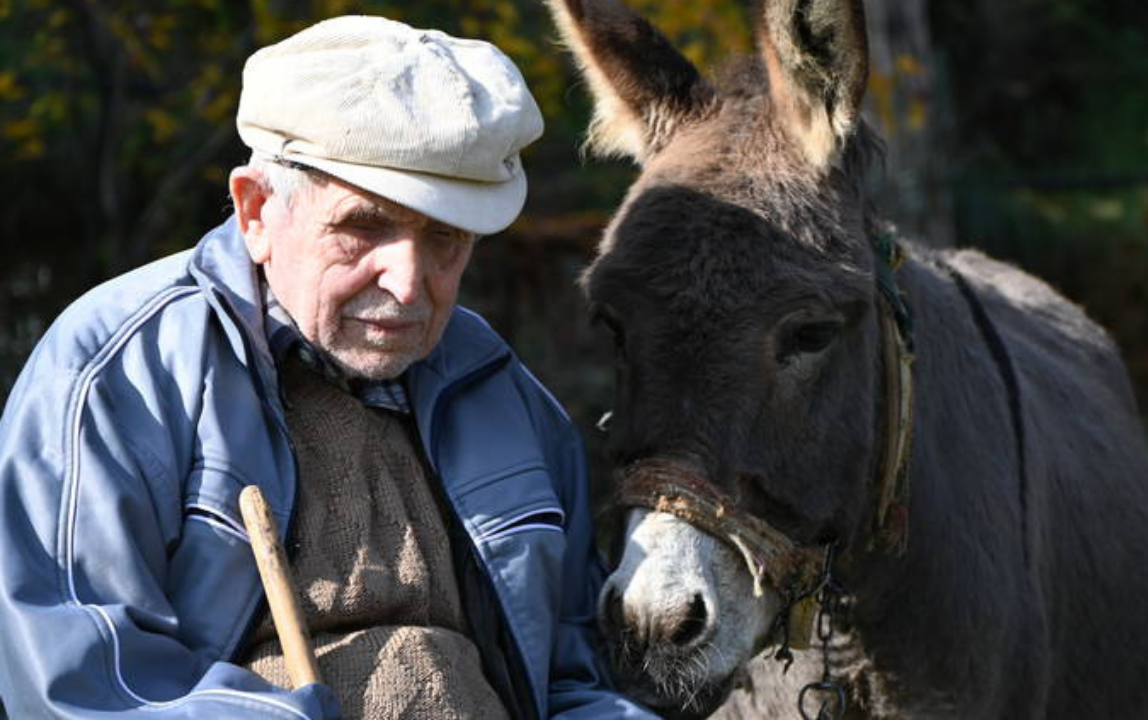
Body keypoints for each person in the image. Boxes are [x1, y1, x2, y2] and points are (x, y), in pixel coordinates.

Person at [0, 15, 657, 720]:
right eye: (364, 226)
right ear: (256, 211)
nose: (410, 282)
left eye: (445, 238)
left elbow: (571, 682)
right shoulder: (117, 374)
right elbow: (78, 693)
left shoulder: (505, 398)